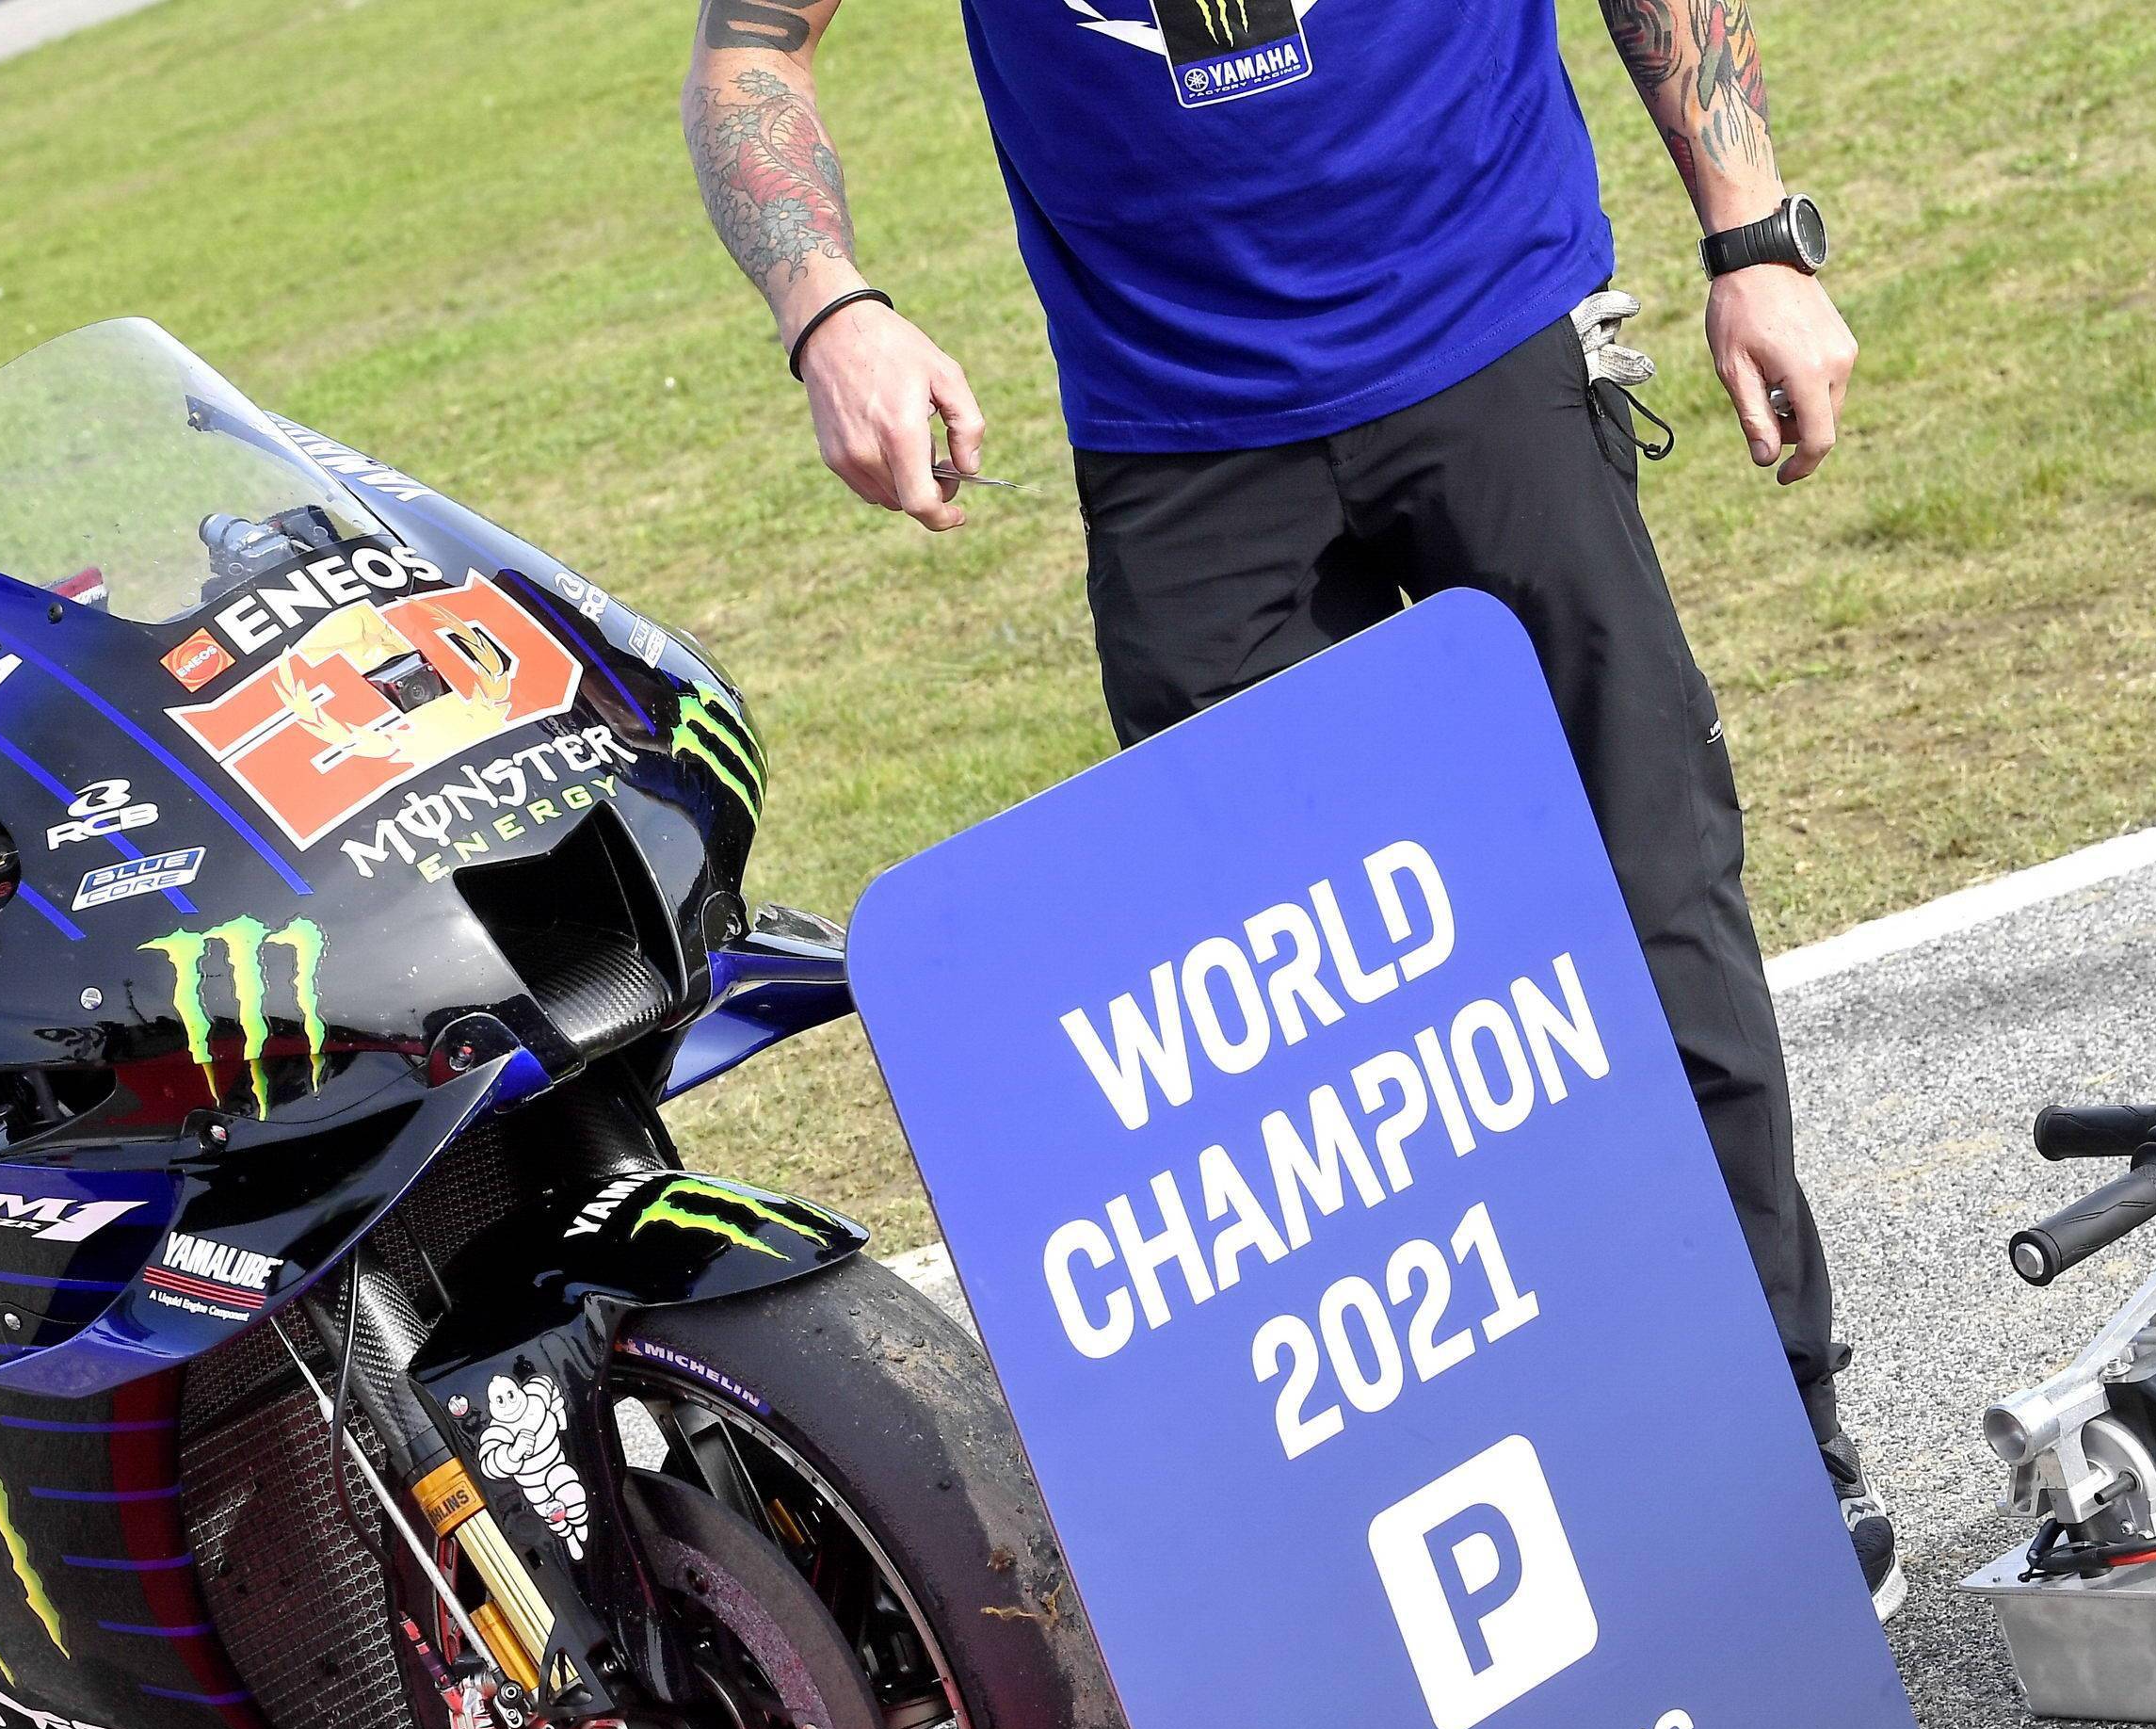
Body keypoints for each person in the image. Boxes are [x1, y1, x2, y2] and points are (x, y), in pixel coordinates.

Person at [681, 0, 1904, 1618]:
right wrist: (829, 308)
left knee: (1647, 914)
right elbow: (751, 44)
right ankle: (1480, 1521)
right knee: (1296, 1054)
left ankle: (1771, 1448)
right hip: (1179, 443)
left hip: (1495, 346)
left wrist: (1752, 234)